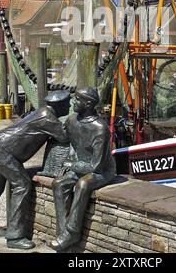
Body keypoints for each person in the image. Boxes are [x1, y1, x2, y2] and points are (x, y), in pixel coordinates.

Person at [0, 90, 71, 250]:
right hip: (3, 150)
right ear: (59, 105)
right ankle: (15, 236)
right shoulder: (48, 117)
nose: (69, 106)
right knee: (22, 184)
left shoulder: (42, 112)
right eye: (67, 103)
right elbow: (65, 137)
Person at [51, 87, 116, 252]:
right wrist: (69, 161)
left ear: (88, 104)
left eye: (78, 99)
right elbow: (72, 144)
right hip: (79, 165)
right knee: (59, 183)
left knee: (83, 184)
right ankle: (62, 232)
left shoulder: (100, 128)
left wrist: (71, 166)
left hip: (102, 171)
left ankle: (72, 232)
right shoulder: (72, 120)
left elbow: (97, 166)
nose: (73, 102)